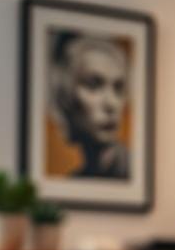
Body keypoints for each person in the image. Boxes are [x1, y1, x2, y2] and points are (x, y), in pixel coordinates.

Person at [51, 34, 130, 179]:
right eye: (94, 85)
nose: (111, 104)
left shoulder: (132, 169)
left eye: (118, 88)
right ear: (66, 96)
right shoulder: (74, 181)